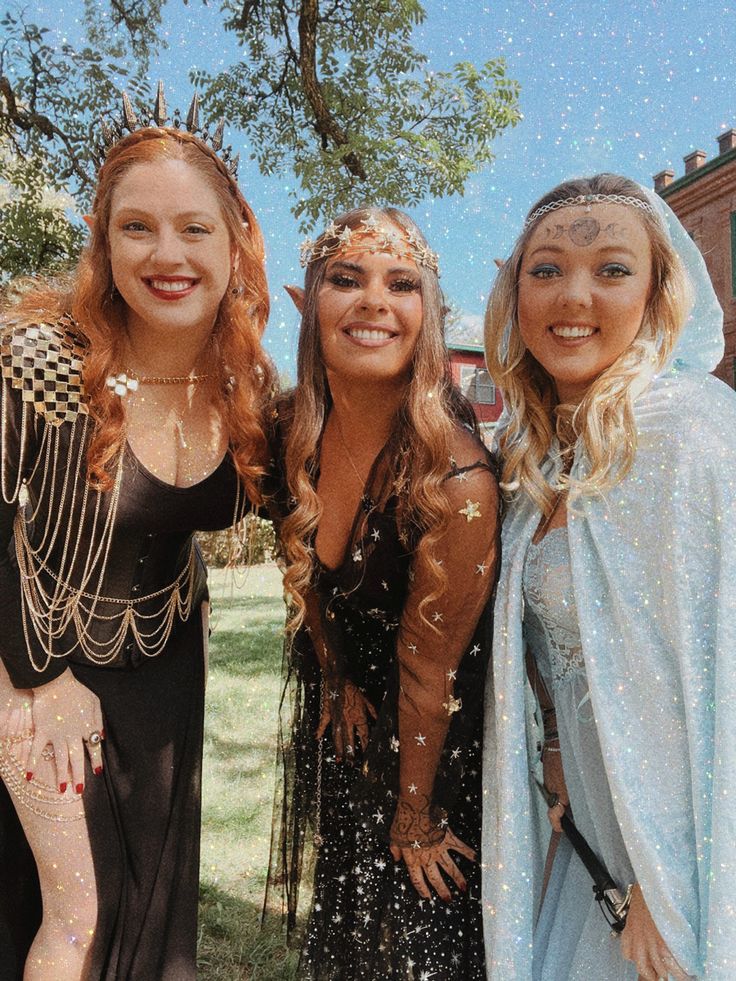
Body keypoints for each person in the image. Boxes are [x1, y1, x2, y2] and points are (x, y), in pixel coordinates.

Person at [0, 89, 273, 980]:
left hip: (165, 678)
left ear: (236, 241)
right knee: (74, 916)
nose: (168, 255)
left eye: (195, 229)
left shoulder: (243, 392)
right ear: (103, 238)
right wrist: (35, 679)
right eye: (138, 228)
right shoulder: (39, 361)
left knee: (149, 917)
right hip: (36, 667)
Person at [481, 172, 736, 980]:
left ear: (661, 291)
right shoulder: (540, 461)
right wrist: (552, 744)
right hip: (590, 850)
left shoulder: (690, 436)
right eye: (547, 268)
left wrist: (675, 888)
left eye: (612, 269)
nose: (573, 295)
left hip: (682, 867)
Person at [265, 207, 499, 979]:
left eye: (401, 283)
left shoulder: (454, 478)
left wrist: (415, 817)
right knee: (349, 933)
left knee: (417, 936)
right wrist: (332, 675)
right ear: (310, 302)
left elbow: (430, 674)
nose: (373, 300)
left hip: (433, 740)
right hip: (349, 713)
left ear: (427, 314)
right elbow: (306, 571)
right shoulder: (289, 428)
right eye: (346, 278)